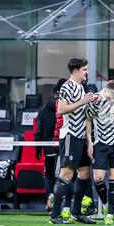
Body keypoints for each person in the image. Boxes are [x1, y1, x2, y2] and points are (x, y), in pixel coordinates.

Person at [49, 57, 96, 225]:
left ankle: (76, 212)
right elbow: (61, 110)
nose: (87, 73)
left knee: (84, 173)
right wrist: (82, 101)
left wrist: (89, 141)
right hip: (70, 136)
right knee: (66, 174)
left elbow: (87, 117)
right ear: (75, 71)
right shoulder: (66, 87)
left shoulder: (81, 88)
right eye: (84, 70)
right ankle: (55, 216)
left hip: (82, 139)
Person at [86, 80, 114, 225]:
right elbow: (88, 119)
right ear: (107, 91)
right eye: (112, 95)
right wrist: (89, 141)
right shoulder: (96, 100)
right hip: (100, 142)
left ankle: (110, 215)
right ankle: (106, 202)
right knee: (98, 178)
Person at [34, 78, 67, 212]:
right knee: (64, 176)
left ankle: (50, 197)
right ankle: (61, 204)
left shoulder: (43, 109)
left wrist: (37, 148)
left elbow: (39, 130)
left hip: (48, 148)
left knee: (49, 175)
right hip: (64, 146)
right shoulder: (67, 108)